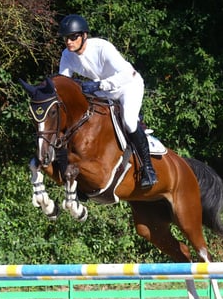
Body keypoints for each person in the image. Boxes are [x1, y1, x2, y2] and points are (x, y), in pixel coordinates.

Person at [57, 14, 158, 188]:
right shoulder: (67, 55)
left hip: (128, 85)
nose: (69, 42)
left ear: (84, 36)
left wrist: (99, 85)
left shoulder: (102, 47)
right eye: (66, 38)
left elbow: (126, 74)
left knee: (129, 122)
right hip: (103, 92)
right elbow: (64, 83)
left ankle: (148, 168)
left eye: (73, 37)